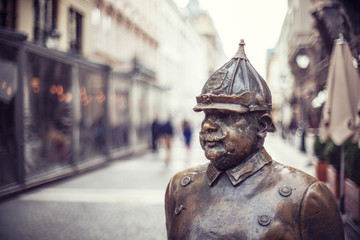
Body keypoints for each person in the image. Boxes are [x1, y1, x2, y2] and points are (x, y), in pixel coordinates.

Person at [165, 40, 344, 239]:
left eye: (225, 116)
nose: (208, 125)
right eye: (207, 115)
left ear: (261, 126)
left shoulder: (307, 197)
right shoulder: (180, 187)